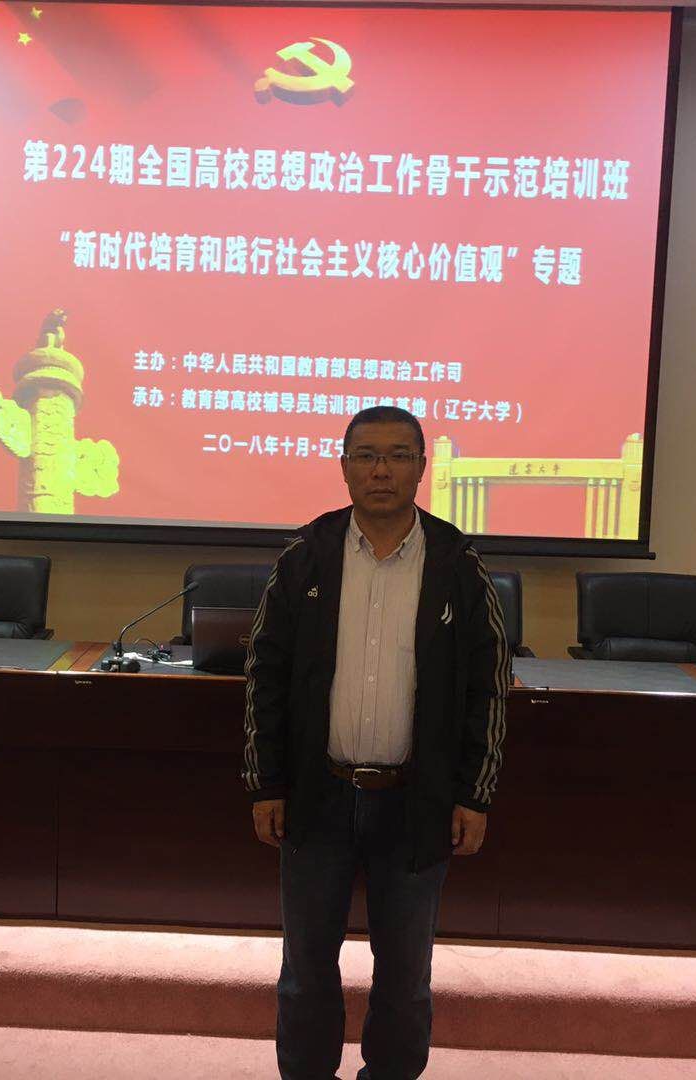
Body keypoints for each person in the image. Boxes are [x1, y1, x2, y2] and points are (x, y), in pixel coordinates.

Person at [242, 405, 510, 1080]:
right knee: (306, 967)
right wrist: (266, 784)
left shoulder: (457, 563)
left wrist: (474, 796)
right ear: (344, 467)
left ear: (421, 467)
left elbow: (489, 688)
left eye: (397, 455)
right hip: (317, 795)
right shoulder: (306, 555)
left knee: (405, 974)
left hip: (416, 800)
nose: (381, 470)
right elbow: (265, 675)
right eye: (366, 456)